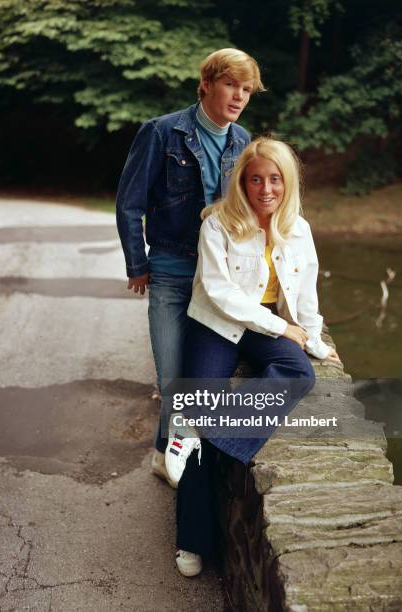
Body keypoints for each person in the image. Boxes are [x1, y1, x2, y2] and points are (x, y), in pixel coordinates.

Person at [164, 136, 341, 577]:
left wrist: (314, 340)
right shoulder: (218, 224)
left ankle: (214, 432)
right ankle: (192, 540)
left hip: (264, 326)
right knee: (197, 416)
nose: (266, 188)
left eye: (275, 179)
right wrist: (285, 328)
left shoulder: (298, 229)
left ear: (288, 182)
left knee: (298, 371)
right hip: (217, 324)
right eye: (256, 178)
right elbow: (221, 294)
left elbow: (307, 294)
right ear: (242, 182)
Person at [116, 49, 265, 486]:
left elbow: (250, 211)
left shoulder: (243, 142)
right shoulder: (161, 133)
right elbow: (129, 203)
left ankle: (170, 455)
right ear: (207, 85)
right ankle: (168, 454)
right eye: (231, 85)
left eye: (246, 89)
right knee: (171, 375)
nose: (239, 96)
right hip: (170, 273)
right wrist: (136, 263)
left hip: (219, 279)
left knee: (200, 380)